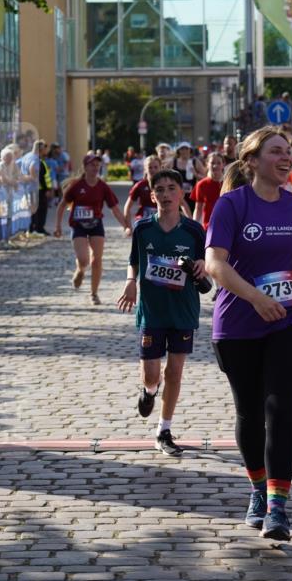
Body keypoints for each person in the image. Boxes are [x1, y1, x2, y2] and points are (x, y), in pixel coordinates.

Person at [205, 127, 292, 541]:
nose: (286, 157)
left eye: (289, 151)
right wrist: (255, 297)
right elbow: (215, 265)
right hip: (239, 322)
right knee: (250, 414)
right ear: (252, 161)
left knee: (280, 409)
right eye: (276, 151)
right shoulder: (231, 206)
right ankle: (257, 488)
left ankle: (278, 508)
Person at [117, 168, 207, 457]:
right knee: (152, 373)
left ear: (181, 194)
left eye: (172, 189)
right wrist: (131, 282)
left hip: (183, 311)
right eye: (160, 190)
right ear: (152, 194)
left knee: (175, 372)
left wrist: (202, 266)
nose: (166, 194)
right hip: (152, 311)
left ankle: (164, 430)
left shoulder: (194, 230)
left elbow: (208, 264)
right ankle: (149, 392)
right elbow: (134, 261)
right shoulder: (144, 228)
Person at [54, 152, 131, 305]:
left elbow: (114, 209)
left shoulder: (103, 187)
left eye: (97, 165)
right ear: (85, 167)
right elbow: (62, 205)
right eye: (92, 165)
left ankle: (94, 293)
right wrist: (58, 226)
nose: (95, 168)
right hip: (78, 225)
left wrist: (126, 226)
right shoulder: (76, 185)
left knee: (97, 260)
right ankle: (80, 270)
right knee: (84, 260)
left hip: (96, 225)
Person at [190, 151, 224, 230]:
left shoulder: (229, 183)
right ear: (207, 164)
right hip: (208, 227)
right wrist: (195, 227)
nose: (215, 166)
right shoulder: (201, 184)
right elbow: (198, 208)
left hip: (226, 226)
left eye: (219, 163)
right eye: (212, 163)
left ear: (223, 164)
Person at [125, 154, 161, 227]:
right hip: (143, 220)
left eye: (156, 167)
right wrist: (128, 227)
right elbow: (127, 207)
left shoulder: (166, 185)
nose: (153, 170)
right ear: (145, 169)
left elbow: (181, 203)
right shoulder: (140, 185)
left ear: (161, 168)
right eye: (150, 167)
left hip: (161, 221)